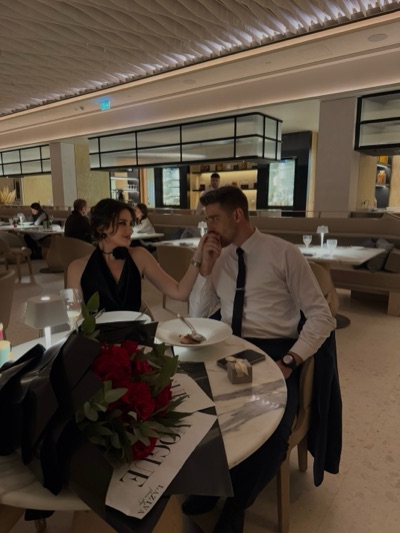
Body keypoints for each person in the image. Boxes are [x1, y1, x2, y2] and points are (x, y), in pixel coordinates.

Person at [186, 186, 339, 532]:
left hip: (274, 353)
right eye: (206, 220)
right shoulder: (219, 257)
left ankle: (238, 501)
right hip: (229, 351)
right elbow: (197, 317)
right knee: (197, 410)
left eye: (214, 219)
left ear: (237, 215)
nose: (209, 228)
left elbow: (321, 316)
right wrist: (205, 268)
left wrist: (290, 360)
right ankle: (210, 485)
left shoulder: (284, 254)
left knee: (270, 432)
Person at [67, 198, 205, 312]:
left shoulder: (139, 256)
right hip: (98, 338)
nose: (130, 230)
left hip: (136, 337)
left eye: (131, 224)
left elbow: (180, 293)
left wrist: (198, 255)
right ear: (101, 227)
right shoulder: (77, 268)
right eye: (122, 223)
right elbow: (75, 320)